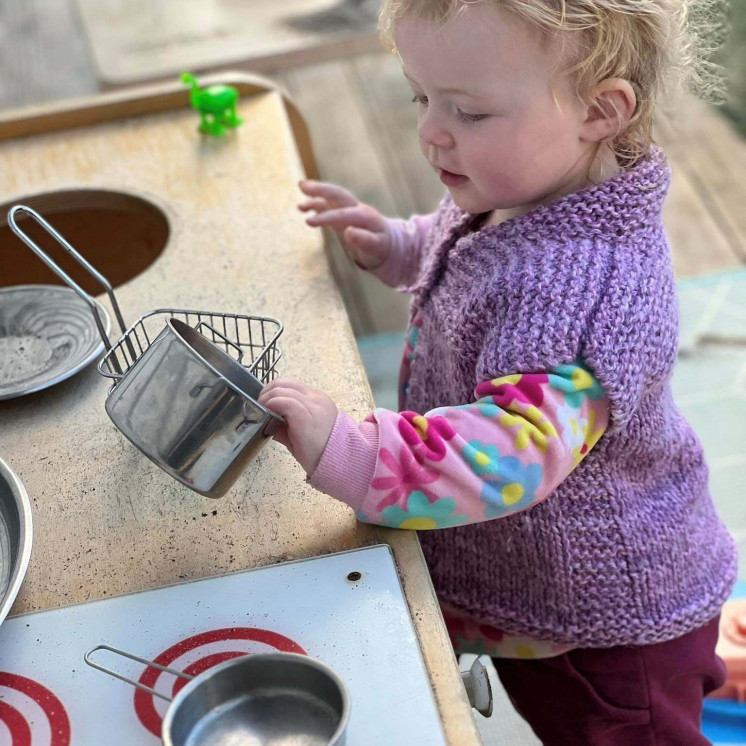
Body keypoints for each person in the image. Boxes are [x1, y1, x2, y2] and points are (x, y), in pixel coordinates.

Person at [258, 0, 736, 742]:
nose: (430, 132)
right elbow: (469, 257)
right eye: (423, 97)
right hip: (539, 604)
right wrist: (396, 245)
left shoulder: (588, 295)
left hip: (607, 638)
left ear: (600, 110)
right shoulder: (520, 192)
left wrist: (354, 453)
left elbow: (510, 453)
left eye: (470, 113)